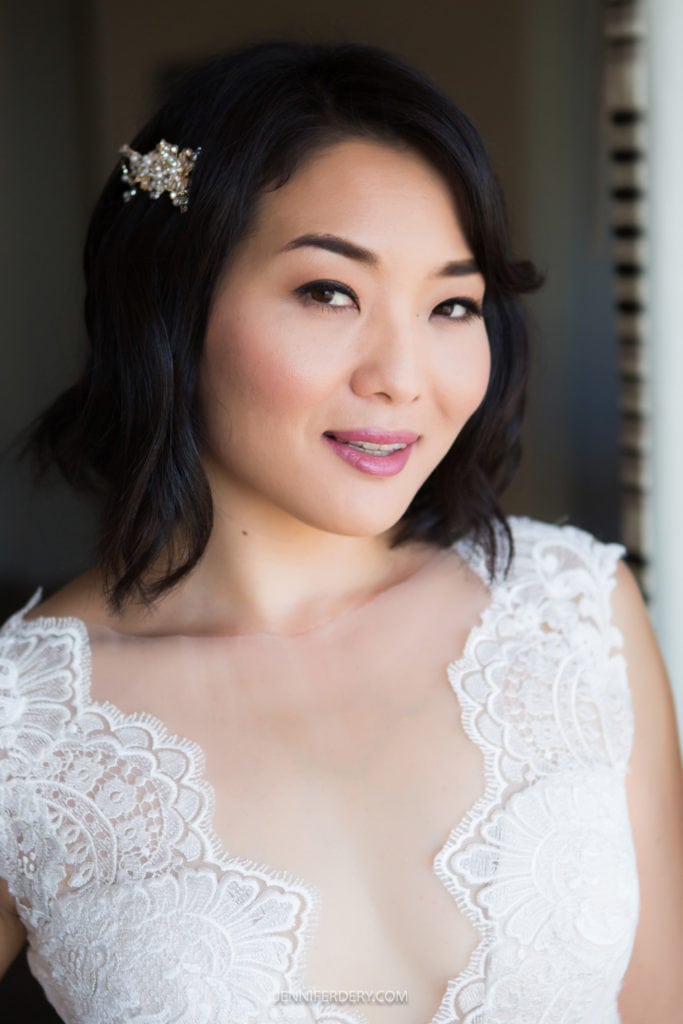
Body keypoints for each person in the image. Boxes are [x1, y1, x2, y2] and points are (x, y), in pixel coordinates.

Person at [0, 37, 681, 1024]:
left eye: (451, 304)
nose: (401, 377)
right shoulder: (22, 729)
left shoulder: (572, 615)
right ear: (173, 298)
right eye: (330, 292)